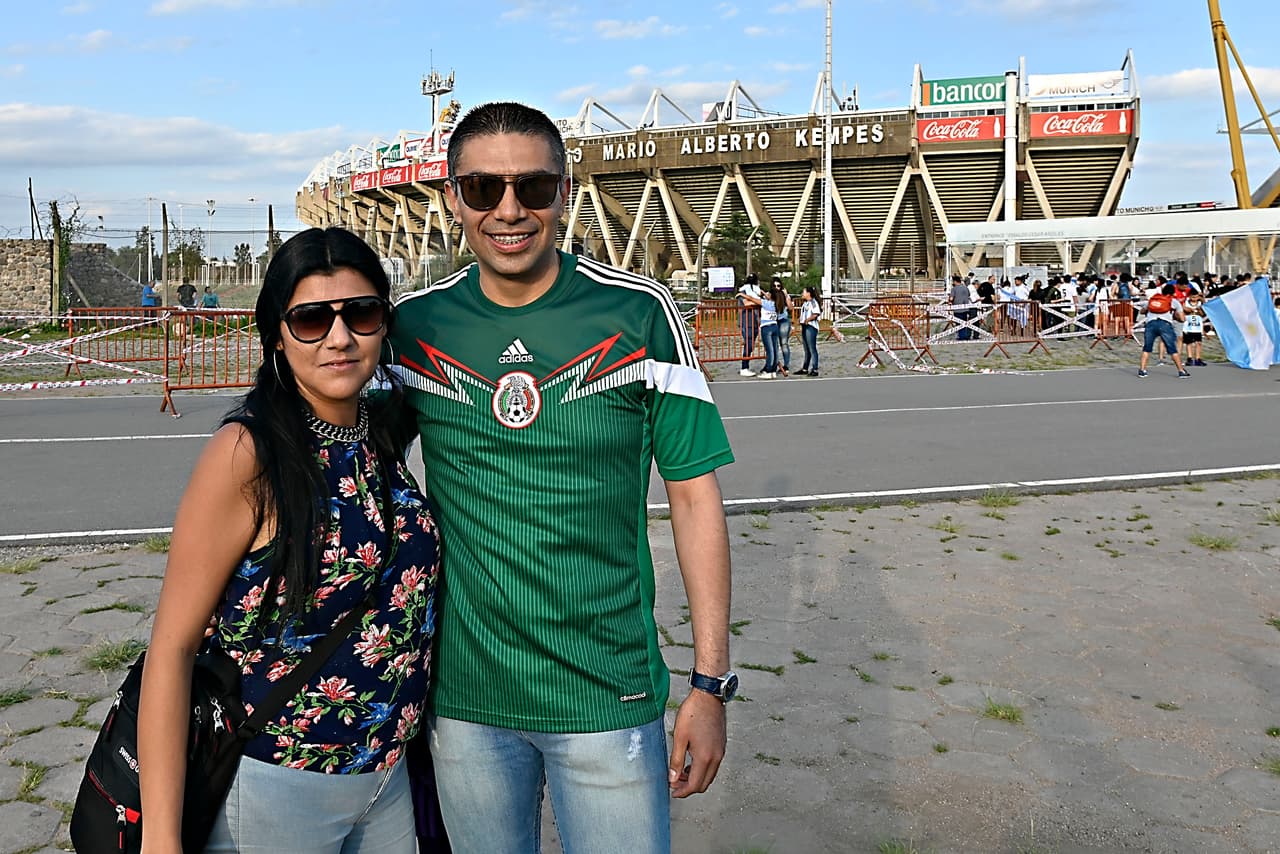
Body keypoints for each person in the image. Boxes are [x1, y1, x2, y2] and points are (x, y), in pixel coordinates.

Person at [389, 101, 735, 853]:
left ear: (566, 192)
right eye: (483, 189)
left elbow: (694, 495)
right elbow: (343, 467)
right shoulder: (416, 327)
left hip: (608, 695)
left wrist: (709, 686)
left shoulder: (641, 313)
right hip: (466, 699)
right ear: (453, 197)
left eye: (533, 188)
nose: (509, 210)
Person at [138, 227, 440, 853]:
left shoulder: (378, 435)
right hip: (278, 787)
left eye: (360, 313)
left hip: (386, 781)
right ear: (276, 333)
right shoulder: (248, 455)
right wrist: (161, 840)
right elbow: (170, 652)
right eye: (310, 320)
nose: (340, 338)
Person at [1137, 283, 1191, 378]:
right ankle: (1181, 371)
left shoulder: (1153, 299)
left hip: (1150, 324)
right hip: (1165, 324)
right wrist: (1176, 317)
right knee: (1172, 348)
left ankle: (1142, 369)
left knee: (1147, 348)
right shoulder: (1174, 302)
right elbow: (1182, 318)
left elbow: (1142, 311)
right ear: (1172, 293)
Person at [737, 272, 763, 376]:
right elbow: (747, 303)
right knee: (748, 344)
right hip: (746, 321)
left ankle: (745, 365)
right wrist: (758, 301)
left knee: (751, 344)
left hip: (755, 321)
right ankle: (744, 367)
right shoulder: (743, 291)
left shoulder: (755, 292)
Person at [757, 279, 781, 379]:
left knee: (769, 350)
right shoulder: (777, 304)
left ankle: (768, 370)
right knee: (775, 349)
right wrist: (763, 292)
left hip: (766, 327)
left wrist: (743, 295)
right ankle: (773, 370)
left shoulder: (766, 303)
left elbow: (754, 300)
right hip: (775, 326)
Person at [771, 277, 793, 377]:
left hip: (783, 320)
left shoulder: (784, 295)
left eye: (778, 286)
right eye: (774, 286)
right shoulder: (770, 295)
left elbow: (790, 308)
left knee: (784, 343)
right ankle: (773, 364)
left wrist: (786, 295)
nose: (776, 288)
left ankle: (786, 365)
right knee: (774, 345)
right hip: (773, 321)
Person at [798, 285, 821, 375]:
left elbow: (816, 313)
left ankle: (815, 368)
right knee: (806, 349)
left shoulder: (813, 302)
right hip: (804, 326)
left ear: (808, 293)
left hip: (811, 327)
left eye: (804, 292)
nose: (802, 294)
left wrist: (808, 320)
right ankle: (805, 368)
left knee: (812, 348)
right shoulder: (805, 303)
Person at [1183, 292, 1206, 366]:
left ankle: (1198, 358)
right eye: (1193, 297)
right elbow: (1184, 310)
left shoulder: (1200, 304)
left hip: (1197, 326)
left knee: (1198, 343)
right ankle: (1189, 358)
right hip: (1188, 326)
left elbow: (1202, 314)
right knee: (1189, 343)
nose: (1194, 299)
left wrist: (1199, 309)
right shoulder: (1186, 303)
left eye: (1196, 297)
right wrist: (1189, 309)